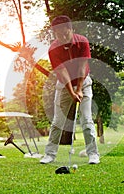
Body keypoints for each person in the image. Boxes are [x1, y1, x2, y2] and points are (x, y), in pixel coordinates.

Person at [20, 15, 99, 164]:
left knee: (87, 120)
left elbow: (82, 66)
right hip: (64, 85)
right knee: (58, 121)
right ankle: (50, 155)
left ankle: (93, 154)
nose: (62, 36)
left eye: (65, 33)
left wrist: (80, 90)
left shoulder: (82, 42)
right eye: (58, 34)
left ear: (71, 29)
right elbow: (62, 72)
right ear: (54, 33)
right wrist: (72, 92)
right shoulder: (53, 49)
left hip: (84, 83)